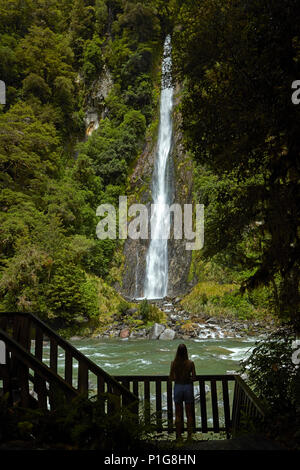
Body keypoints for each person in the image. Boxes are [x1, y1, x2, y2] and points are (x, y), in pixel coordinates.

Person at [169, 343, 196, 440]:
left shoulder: (174, 363)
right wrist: (187, 378)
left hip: (178, 387)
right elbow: (194, 377)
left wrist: (178, 377)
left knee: (178, 413)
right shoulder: (190, 363)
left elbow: (171, 377)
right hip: (188, 387)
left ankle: (178, 436)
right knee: (189, 414)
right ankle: (189, 436)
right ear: (186, 352)